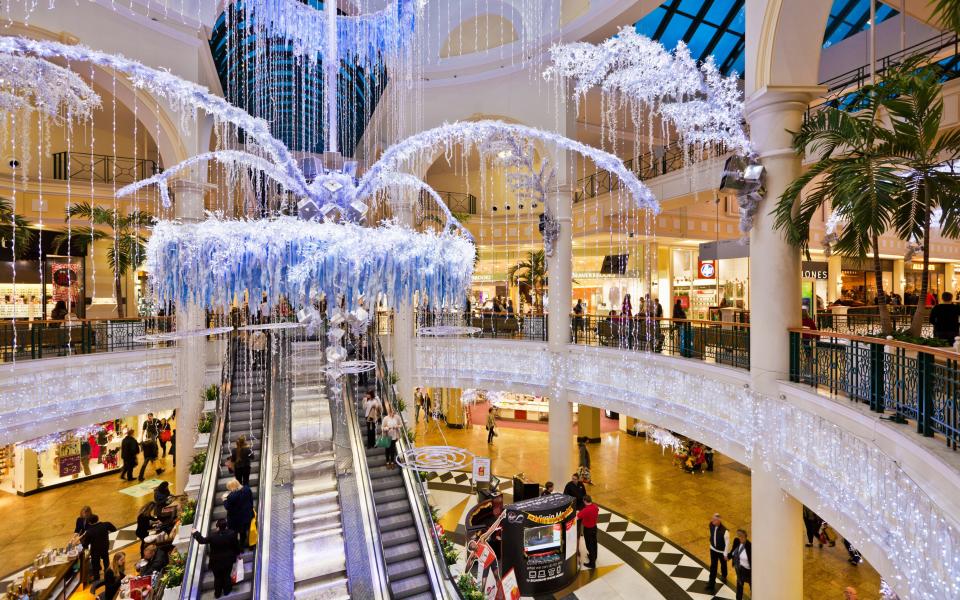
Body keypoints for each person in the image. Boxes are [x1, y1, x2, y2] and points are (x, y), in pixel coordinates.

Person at [192, 519, 242, 599]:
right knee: (226, 576)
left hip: (216, 562)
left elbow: (202, 540)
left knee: (218, 578)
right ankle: (227, 591)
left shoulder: (213, 536)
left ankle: (217, 594)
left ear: (218, 526)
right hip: (228, 560)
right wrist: (238, 554)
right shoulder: (232, 534)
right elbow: (236, 545)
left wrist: (195, 533)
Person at [81, 514, 117, 582]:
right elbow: (114, 529)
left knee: (95, 564)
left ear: (90, 522)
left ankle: (97, 578)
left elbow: (86, 544)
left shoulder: (89, 531)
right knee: (106, 560)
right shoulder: (106, 524)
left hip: (95, 550)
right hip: (105, 547)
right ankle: (108, 575)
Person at [224, 479, 255, 549]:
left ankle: (239, 549)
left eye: (229, 488)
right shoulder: (247, 489)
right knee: (244, 532)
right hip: (247, 516)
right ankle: (250, 546)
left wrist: (224, 500)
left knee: (235, 534)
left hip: (236, 520)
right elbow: (251, 501)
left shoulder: (231, 496)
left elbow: (227, 507)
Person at [706, 513, 729, 592]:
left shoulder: (725, 531)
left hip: (721, 551)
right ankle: (711, 583)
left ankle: (724, 575)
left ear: (719, 521)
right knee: (713, 566)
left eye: (714, 519)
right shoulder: (711, 525)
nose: (712, 520)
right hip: (713, 549)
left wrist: (725, 554)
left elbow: (727, 544)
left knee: (723, 564)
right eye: (712, 519)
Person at [578, 495, 600, 569]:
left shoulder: (586, 510)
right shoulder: (595, 507)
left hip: (588, 529)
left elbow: (578, 516)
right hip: (594, 527)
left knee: (589, 545)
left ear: (584, 501)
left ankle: (592, 564)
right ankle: (593, 557)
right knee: (594, 543)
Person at [729, 529, 751, 600]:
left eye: (742, 536)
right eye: (739, 536)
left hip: (748, 571)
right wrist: (728, 556)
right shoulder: (736, 541)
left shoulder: (749, 546)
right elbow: (733, 551)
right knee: (739, 586)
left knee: (752, 585)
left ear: (746, 537)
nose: (740, 538)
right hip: (738, 569)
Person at [381, 404, 403, 468]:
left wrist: (397, 426)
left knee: (392, 450)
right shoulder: (386, 418)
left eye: (393, 411)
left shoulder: (397, 417)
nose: (392, 413)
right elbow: (382, 427)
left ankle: (392, 462)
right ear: (389, 411)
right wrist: (386, 428)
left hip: (394, 436)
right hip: (387, 436)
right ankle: (387, 462)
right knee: (387, 449)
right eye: (391, 412)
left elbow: (401, 425)